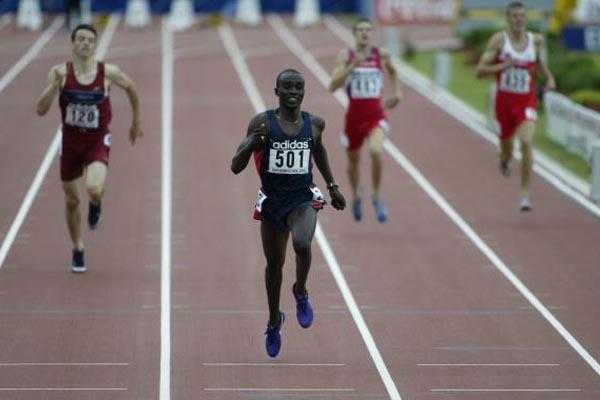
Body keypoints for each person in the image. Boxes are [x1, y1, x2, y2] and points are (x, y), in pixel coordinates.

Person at [231, 69, 346, 358]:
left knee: (302, 243)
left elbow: (319, 151)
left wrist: (332, 186)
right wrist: (251, 143)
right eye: (287, 87)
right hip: (272, 202)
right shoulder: (262, 123)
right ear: (277, 92)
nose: (293, 91)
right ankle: (274, 320)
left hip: (301, 199)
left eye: (298, 87)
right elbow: (235, 166)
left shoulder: (315, 124)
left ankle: (301, 291)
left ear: (304, 91)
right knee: (274, 265)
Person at [36, 24, 142, 273]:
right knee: (72, 200)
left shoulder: (107, 72)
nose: (85, 43)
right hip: (70, 142)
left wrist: (136, 121)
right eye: (81, 39)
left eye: (90, 40)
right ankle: (78, 247)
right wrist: (53, 88)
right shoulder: (59, 73)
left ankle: (96, 203)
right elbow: (40, 110)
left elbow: (131, 87)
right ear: (73, 43)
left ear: (95, 45)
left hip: (97, 140)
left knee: (94, 188)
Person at [476, 1, 555, 211]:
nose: (519, 19)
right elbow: (479, 71)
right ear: (508, 18)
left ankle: (525, 194)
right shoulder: (499, 41)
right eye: (515, 16)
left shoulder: (535, 40)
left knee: (526, 141)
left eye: (522, 15)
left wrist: (549, 78)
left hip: (525, 103)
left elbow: (537, 62)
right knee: (506, 149)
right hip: (503, 105)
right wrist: (505, 65)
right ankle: (504, 159)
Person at [328, 17, 403, 223]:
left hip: (376, 117)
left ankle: (376, 195)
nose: (364, 33)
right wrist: (352, 66)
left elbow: (394, 71)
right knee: (353, 161)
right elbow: (332, 85)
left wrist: (398, 93)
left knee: (376, 151)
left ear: (372, 33)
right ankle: (355, 196)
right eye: (360, 29)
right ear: (354, 33)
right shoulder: (346, 56)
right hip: (353, 119)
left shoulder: (381, 54)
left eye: (368, 29)